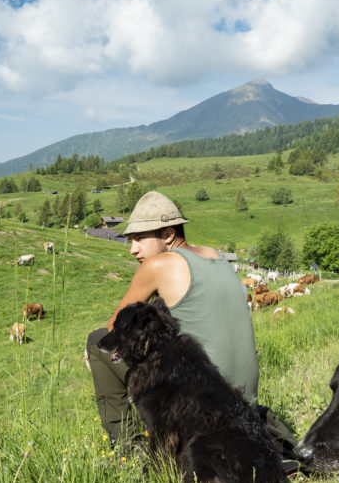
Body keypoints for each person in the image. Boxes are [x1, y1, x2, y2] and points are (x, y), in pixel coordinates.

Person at [86, 191, 297, 464]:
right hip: (244, 400)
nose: (133, 249)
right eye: (130, 240)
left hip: (202, 406)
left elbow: (116, 327)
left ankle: (130, 451)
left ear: (169, 235)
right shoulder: (216, 256)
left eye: (139, 239)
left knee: (98, 340)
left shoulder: (158, 265)